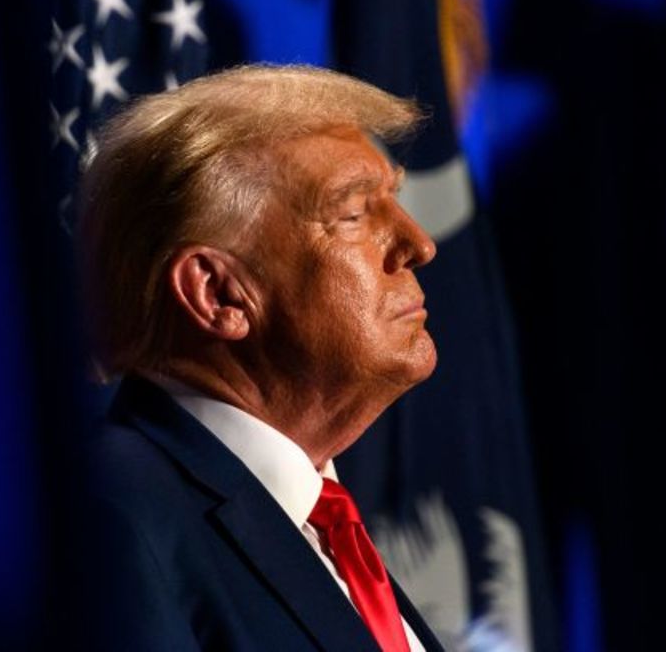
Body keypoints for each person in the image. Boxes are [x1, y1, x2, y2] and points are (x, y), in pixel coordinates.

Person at [74, 64, 444, 651]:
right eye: (352, 214)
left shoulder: (321, 527)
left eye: (393, 200)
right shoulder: (111, 522)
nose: (419, 244)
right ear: (217, 293)